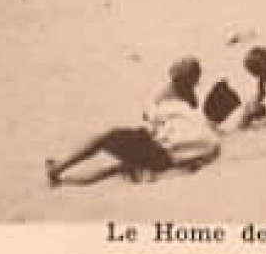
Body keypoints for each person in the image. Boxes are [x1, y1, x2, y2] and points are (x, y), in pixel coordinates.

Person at [45, 58, 220, 185]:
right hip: (175, 151)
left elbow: (151, 116)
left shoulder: (169, 97)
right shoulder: (188, 100)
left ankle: (59, 168)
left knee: (106, 137)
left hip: (162, 151)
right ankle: (67, 174)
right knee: (117, 163)